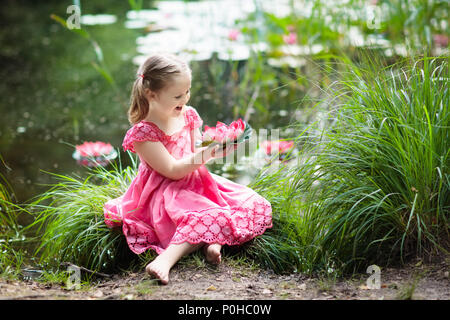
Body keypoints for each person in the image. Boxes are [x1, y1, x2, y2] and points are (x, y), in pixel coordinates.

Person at [103, 53, 272, 285]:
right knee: (203, 215)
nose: (185, 99)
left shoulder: (189, 114)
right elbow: (172, 170)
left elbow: (196, 150)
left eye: (188, 91)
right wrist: (206, 152)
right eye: (177, 95)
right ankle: (166, 260)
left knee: (250, 201)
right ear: (151, 94)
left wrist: (217, 149)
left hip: (197, 183)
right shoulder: (144, 133)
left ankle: (213, 241)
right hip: (165, 194)